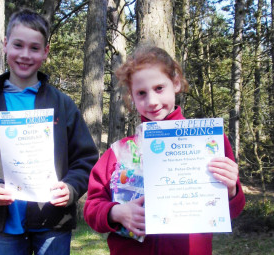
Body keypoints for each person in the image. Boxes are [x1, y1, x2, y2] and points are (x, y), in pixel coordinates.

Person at [0, 9, 98, 255]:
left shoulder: (62, 105)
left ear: (46, 52)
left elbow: (85, 159)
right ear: (5, 45)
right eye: (18, 45)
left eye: (34, 48)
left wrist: (72, 188)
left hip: (53, 222)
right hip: (6, 226)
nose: (25, 54)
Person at [83, 46, 245, 254]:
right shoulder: (120, 152)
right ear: (131, 96)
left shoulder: (208, 143)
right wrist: (116, 212)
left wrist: (231, 191)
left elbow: (232, 210)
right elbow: (92, 207)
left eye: (159, 88)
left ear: (176, 83)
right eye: (141, 93)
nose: (152, 101)